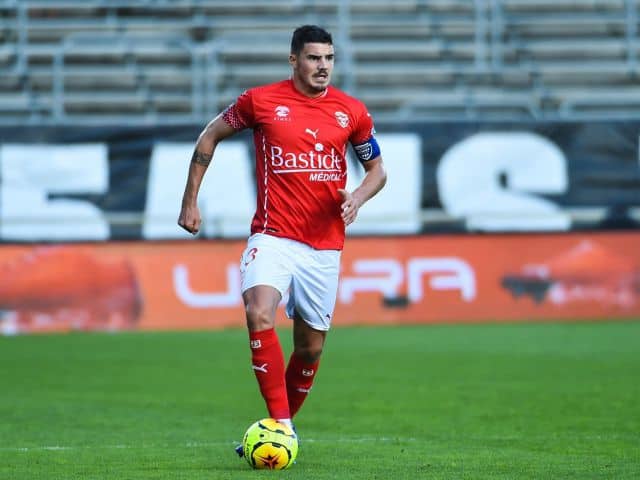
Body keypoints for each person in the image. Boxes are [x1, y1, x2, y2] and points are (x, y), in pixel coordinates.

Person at [177, 25, 387, 451]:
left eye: (328, 58)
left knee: (309, 350)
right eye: (313, 58)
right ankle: (283, 431)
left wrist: (358, 199)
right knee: (259, 312)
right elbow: (209, 135)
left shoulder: (352, 112)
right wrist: (190, 202)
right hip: (273, 236)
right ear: (293, 60)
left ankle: (279, 426)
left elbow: (377, 171)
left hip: (325, 246)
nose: (322, 66)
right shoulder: (261, 101)